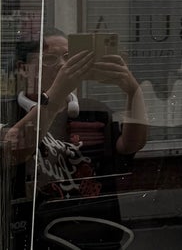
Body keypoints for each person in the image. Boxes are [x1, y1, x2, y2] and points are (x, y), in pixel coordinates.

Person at [2, 29, 147, 249]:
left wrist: (134, 91)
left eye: (68, 58)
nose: (62, 65)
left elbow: (130, 146)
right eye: (50, 59)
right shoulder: (8, 113)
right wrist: (56, 95)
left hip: (96, 232)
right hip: (34, 235)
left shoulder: (93, 110)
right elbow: (13, 150)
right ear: (24, 69)